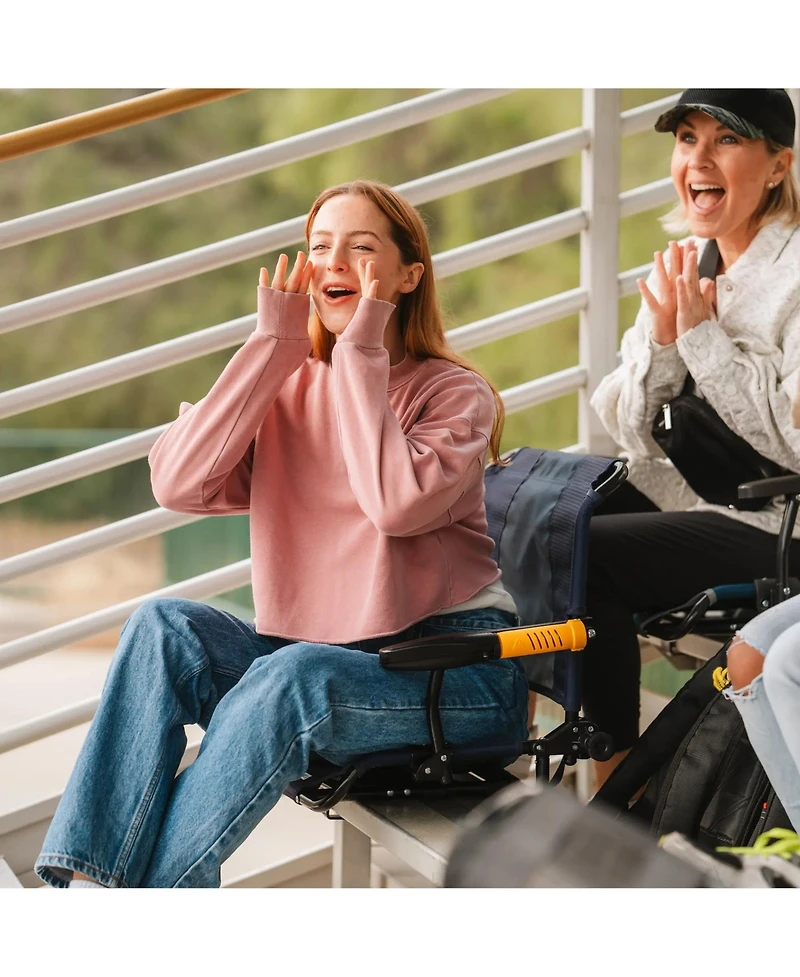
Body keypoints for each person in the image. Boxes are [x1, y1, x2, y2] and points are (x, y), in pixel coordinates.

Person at [35, 180, 529, 888]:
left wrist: (360, 355)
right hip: (325, 664)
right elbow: (178, 482)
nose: (334, 262)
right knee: (162, 625)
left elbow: (395, 504)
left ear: (408, 275)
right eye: (320, 247)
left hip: (454, 674)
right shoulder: (289, 383)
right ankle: (91, 888)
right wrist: (271, 345)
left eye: (361, 249)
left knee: (296, 675)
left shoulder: (453, 394)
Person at [586, 89, 800, 788]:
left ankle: (616, 777)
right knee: (545, 515)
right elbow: (628, 430)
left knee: (586, 551)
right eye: (686, 138)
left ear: (777, 166)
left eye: (726, 140)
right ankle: (546, 747)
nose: (698, 159)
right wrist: (666, 341)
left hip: (778, 523)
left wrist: (705, 340)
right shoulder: (687, 260)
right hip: (692, 500)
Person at [724, 383, 800, 833]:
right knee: (750, 653)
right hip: (727, 504)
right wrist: (681, 341)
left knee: (787, 661)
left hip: (761, 517)